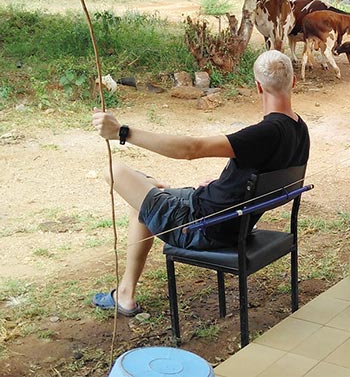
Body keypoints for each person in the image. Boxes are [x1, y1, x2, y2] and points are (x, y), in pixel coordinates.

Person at [89, 49, 310, 316]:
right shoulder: (300, 130)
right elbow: (257, 174)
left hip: (201, 227)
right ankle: (126, 291)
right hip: (228, 218)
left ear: (258, 86)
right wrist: (223, 184)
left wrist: (122, 132)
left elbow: (192, 149)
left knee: (114, 170)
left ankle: (126, 292)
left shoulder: (265, 134)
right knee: (143, 198)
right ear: (294, 82)